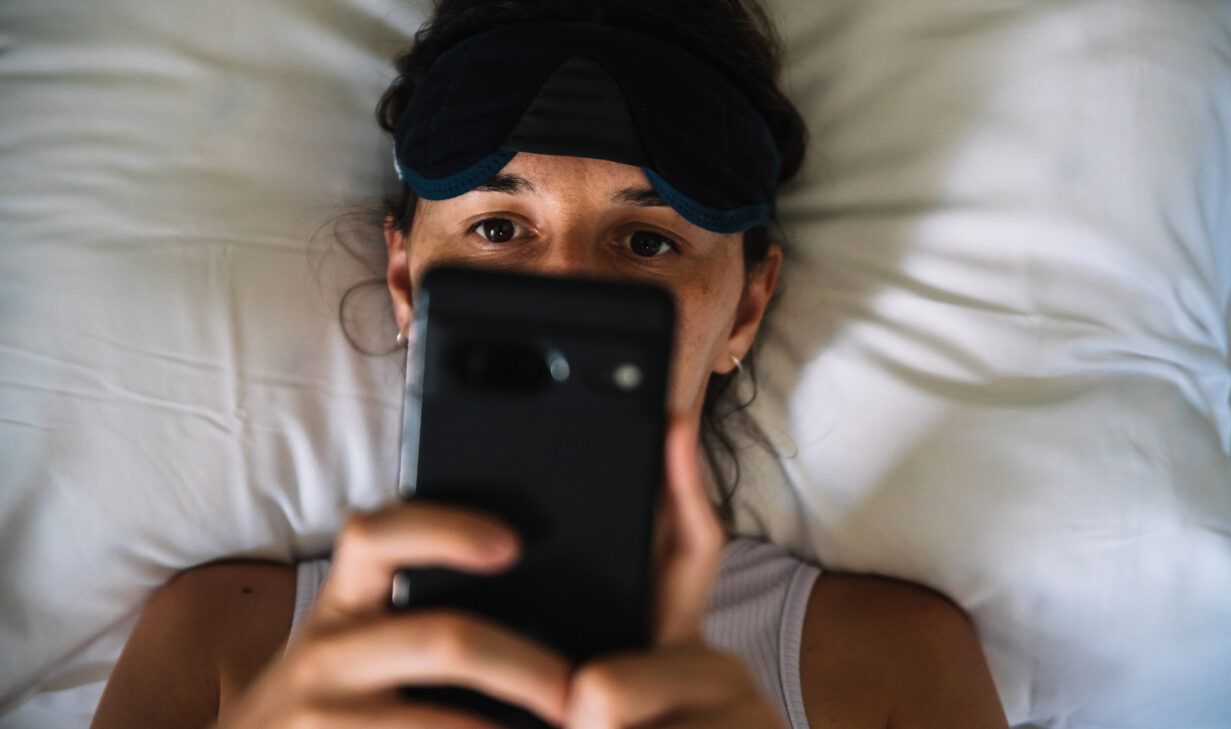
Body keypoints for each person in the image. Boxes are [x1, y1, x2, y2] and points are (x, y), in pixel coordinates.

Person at [91, 1, 1008, 727]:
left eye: (648, 242)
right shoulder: (219, 642)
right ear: (407, 278)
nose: (571, 293)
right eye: (497, 227)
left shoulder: (890, 665)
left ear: (748, 307)